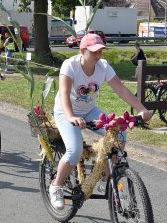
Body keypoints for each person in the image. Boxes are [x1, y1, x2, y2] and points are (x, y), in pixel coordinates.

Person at [49, 34, 152, 210]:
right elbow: (64, 95)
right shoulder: (70, 66)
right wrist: (71, 117)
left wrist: (142, 109)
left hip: (89, 111)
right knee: (74, 150)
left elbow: (122, 91)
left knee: (119, 134)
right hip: (65, 111)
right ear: (83, 51)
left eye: (101, 51)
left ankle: (106, 176)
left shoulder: (103, 67)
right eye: (94, 51)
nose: (99, 55)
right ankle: (56, 186)